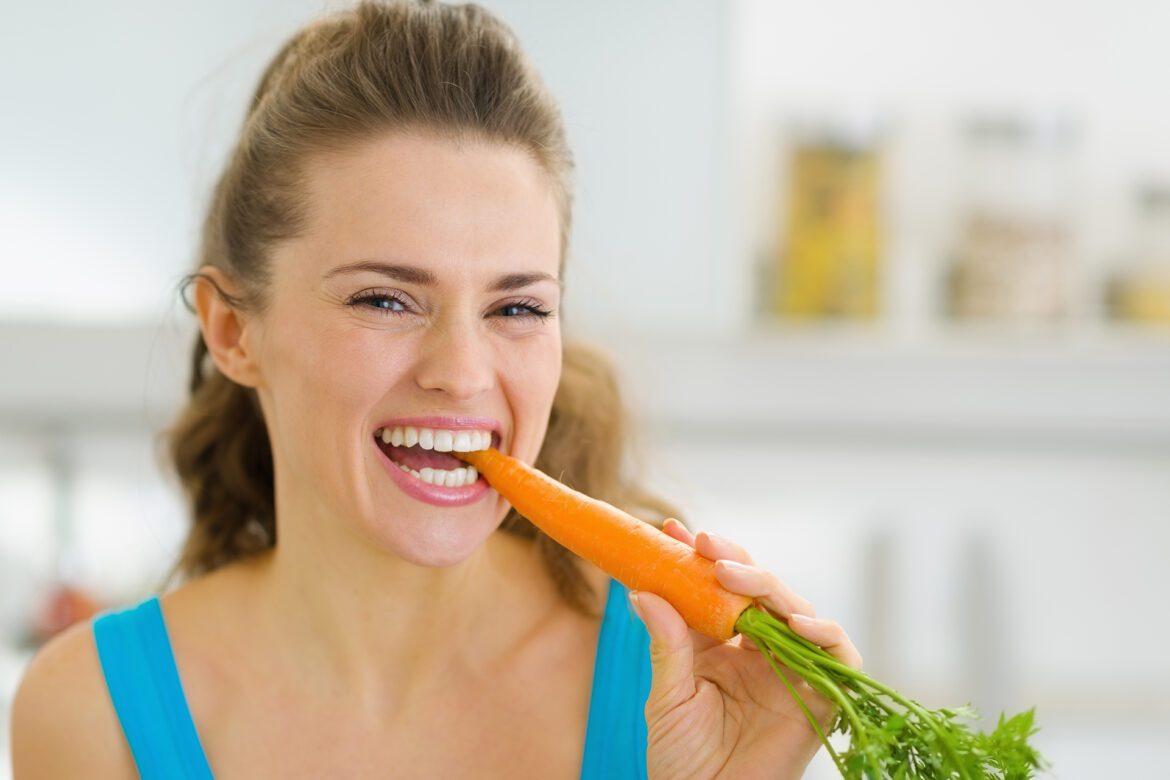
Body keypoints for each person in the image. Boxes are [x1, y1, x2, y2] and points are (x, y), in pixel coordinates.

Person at [10, 1, 861, 777]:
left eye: (517, 307)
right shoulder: (93, 713)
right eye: (384, 299)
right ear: (233, 331)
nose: (461, 371)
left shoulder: (675, 695)